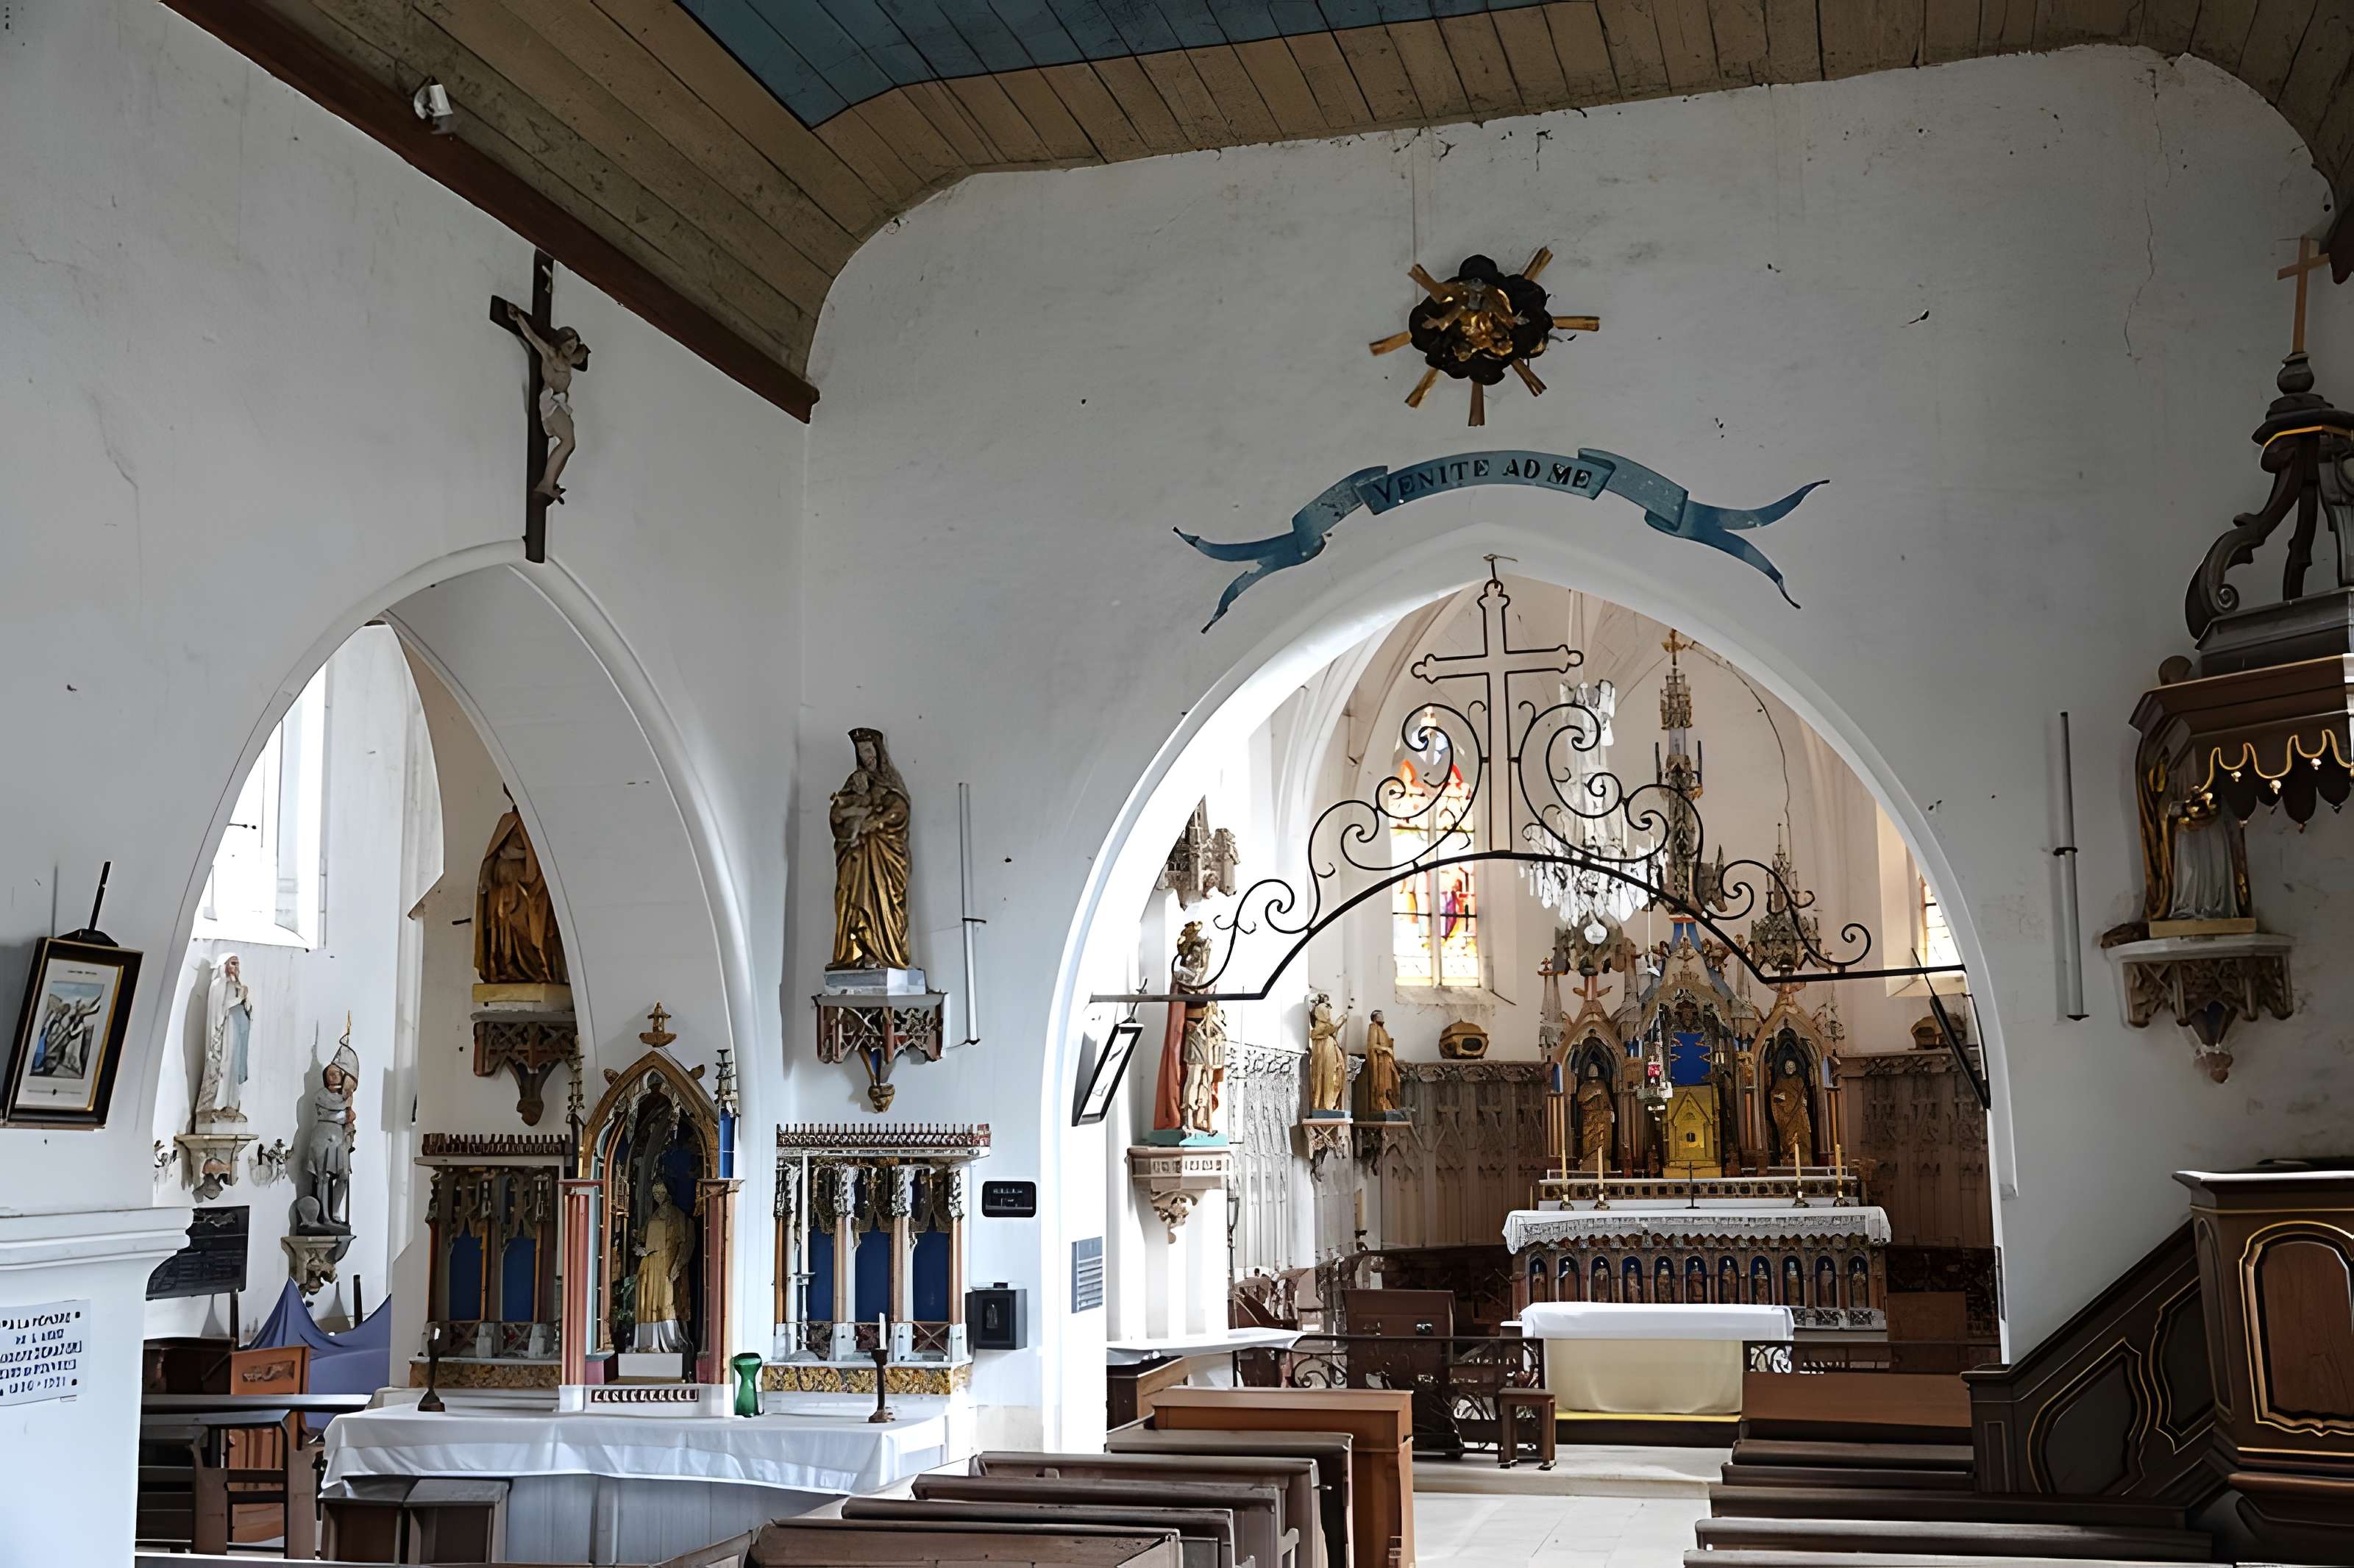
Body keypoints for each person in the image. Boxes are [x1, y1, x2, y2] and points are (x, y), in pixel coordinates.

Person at [828, 730, 914, 970]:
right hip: (857, 859)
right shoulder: (853, 783)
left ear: (878, 750)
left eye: (869, 749)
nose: (867, 756)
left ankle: (885, 953)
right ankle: (856, 954)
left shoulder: (891, 786)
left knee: (886, 899)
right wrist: (852, 822)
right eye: (861, 751)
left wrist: (873, 822)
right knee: (852, 900)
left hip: (884, 858)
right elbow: (837, 815)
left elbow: (899, 809)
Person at [504, 301, 590, 502]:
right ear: (560, 342)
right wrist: (518, 318)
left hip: (558, 405)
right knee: (568, 441)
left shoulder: (568, 361)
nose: (572, 349)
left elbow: (581, 358)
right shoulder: (550, 354)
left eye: (574, 346)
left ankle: (550, 483)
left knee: (570, 445)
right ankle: (546, 483)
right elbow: (532, 337)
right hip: (550, 402)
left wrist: (583, 351)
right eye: (569, 345)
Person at [632, 1180, 695, 1353]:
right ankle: (648, 1341)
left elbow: (684, 1243)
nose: (658, 1196)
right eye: (655, 1193)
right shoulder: (654, 1216)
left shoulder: (678, 1216)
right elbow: (645, 1239)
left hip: (666, 1266)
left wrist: (676, 1266)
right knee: (649, 1302)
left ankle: (668, 1340)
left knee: (666, 1302)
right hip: (651, 1266)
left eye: (661, 1191)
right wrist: (641, 1247)